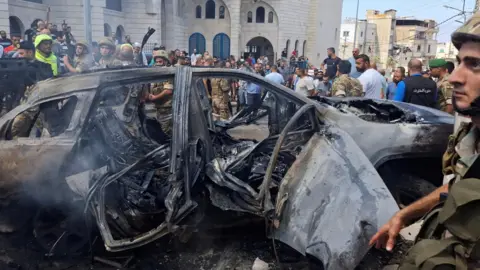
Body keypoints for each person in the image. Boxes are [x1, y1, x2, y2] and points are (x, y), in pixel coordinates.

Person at [369, 12, 480, 269]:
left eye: (474, 64)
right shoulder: (469, 137)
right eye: (459, 62)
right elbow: (457, 187)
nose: (454, 78)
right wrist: (404, 214)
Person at [149, 50, 174, 135]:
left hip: (167, 107)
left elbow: (168, 91)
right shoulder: (156, 73)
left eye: (160, 61)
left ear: (165, 61)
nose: (158, 63)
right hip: (159, 108)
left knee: (165, 131)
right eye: (156, 61)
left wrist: (155, 97)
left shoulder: (168, 72)